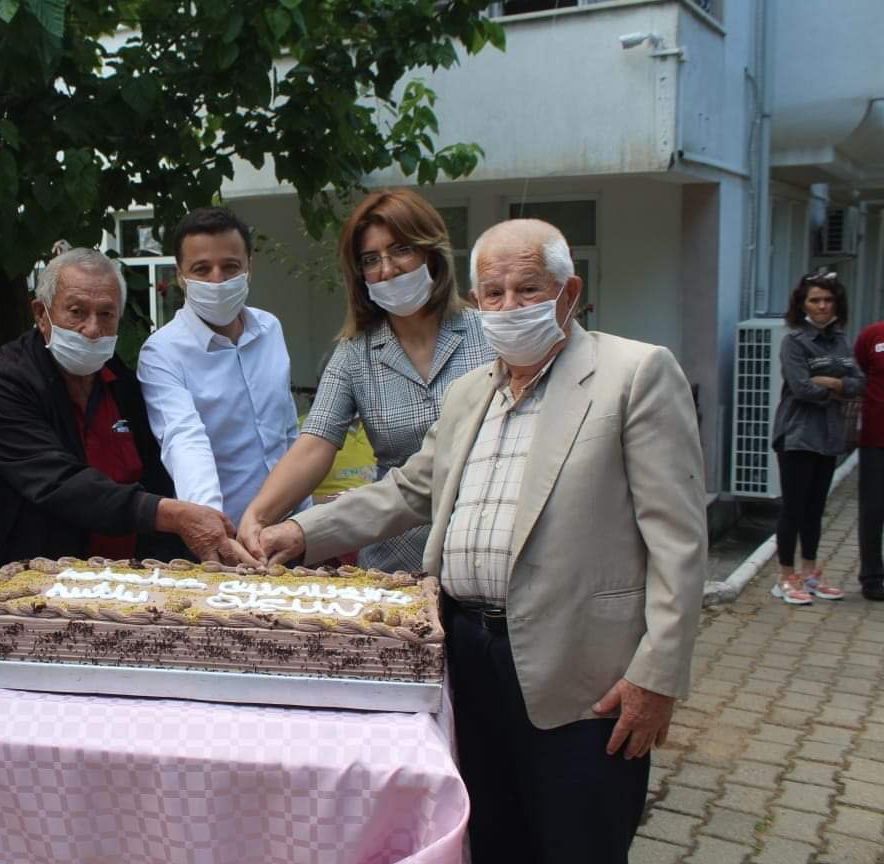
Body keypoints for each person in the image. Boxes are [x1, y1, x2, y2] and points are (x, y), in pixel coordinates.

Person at [259, 219, 707, 864]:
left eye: (528, 290)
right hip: (466, 653)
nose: (508, 307)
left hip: (582, 667)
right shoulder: (473, 392)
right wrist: (298, 533)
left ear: (568, 293)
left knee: (578, 841)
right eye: (492, 293)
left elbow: (679, 539)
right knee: (492, 834)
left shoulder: (633, 373)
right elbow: (409, 490)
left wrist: (658, 674)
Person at [239, 189, 493, 571]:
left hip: (481, 554)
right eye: (371, 259)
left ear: (432, 253)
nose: (387, 269)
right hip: (396, 561)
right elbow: (315, 443)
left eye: (401, 250)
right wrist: (258, 515)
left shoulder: (489, 335)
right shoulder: (355, 353)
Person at [0, 247, 239, 577]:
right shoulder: (4, 382)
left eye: (106, 314)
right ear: (41, 313)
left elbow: (156, 468)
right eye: (77, 312)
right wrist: (172, 515)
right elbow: (58, 482)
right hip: (36, 582)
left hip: (128, 581)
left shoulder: (119, 379)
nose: (92, 329)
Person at [137, 207, 301, 529]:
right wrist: (211, 527)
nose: (217, 280)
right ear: (180, 275)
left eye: (230, 266)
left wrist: (303, 517)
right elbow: (184, 441)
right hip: (224, 539)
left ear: (249, 267)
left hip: (289, 529)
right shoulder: (162, 353)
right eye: (202, 268)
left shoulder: (270, 329)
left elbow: (287, 430)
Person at [768, 271, 864, 605]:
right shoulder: (794, 340)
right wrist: (836, 387)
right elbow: (802, 388)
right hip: (797, 434)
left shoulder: (838, 339)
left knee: (815, 509)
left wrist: (834, 383)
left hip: (828, 434)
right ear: (802, 304)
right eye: (815, 300)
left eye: (827, 300)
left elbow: (858, 382)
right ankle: (784, 576)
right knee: (793, 509)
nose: (822, 306)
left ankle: (809, 573)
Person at [856, 315, 884, 601]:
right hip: (876, 439)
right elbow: (862, 369)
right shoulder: (873, 335)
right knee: (873, 510)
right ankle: (872, 578)